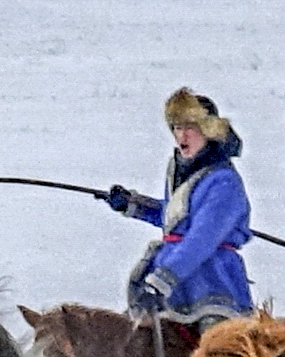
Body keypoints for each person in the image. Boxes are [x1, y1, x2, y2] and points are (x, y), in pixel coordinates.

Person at [98, 88, 252, 328]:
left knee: (216, 353)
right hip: (172, 281)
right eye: (177, 128)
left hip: (211, 284)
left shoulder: (224, 182)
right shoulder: (183, 174)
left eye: (190, 127)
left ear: (209, 131)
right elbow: (176, 219)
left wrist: (162, 280)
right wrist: (133, 205)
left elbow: (201, 239)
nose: (183, 135)